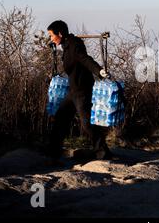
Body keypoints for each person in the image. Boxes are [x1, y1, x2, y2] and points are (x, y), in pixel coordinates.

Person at [47, 20, 112, 160]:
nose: (51, 38)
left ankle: (102, 152)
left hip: (82, 90)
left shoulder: (75, 44)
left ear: (60, 33)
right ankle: (53, 151)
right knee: (60, 118)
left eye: (52, 35)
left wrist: (99, 71)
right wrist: (55, 45)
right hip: (73, 90)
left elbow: (85, 59)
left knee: (87, 123)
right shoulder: (66, 44)